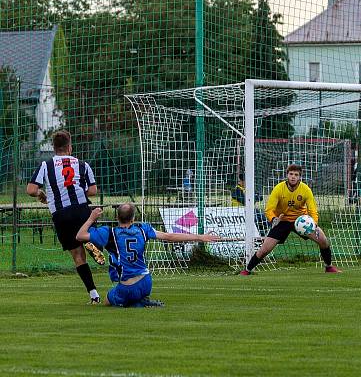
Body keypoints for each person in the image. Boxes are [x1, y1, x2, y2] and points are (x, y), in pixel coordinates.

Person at [76, 203, 220, 307]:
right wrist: (200, 237)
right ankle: (140, 300)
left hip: (128, 286)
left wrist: (91, 218)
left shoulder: (109, 232)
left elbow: (80, 236)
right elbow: (169, 236)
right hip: (146, 282)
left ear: (117, 217)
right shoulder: (143, 229)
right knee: (128, 296)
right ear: (133, 218)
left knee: (108, 300)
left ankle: (137, 304)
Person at [25, 130, 105, 304]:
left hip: (61, 214)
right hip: (81, 210)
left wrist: (42, 194)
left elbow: (31, 190)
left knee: (77, 255)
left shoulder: (46, 165)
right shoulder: (82, 164)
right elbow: (92, 190)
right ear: (70, 147)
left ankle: (94, 295)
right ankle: (93, 243)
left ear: (54, 148)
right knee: (94, 237)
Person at [240, 164, 341, 274]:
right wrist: (273, 219)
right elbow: (269, 209)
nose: (293, 177)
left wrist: (314, 224)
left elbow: (312, 210)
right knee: (265, 249)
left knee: (323, 241)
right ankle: (247, 270)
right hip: (282, 221)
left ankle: (329, 267)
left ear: (300, 177)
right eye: (291, 174)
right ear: (287, 175)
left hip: (301, 221)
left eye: (296, 175)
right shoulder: (278, 188)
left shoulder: (306, 189)